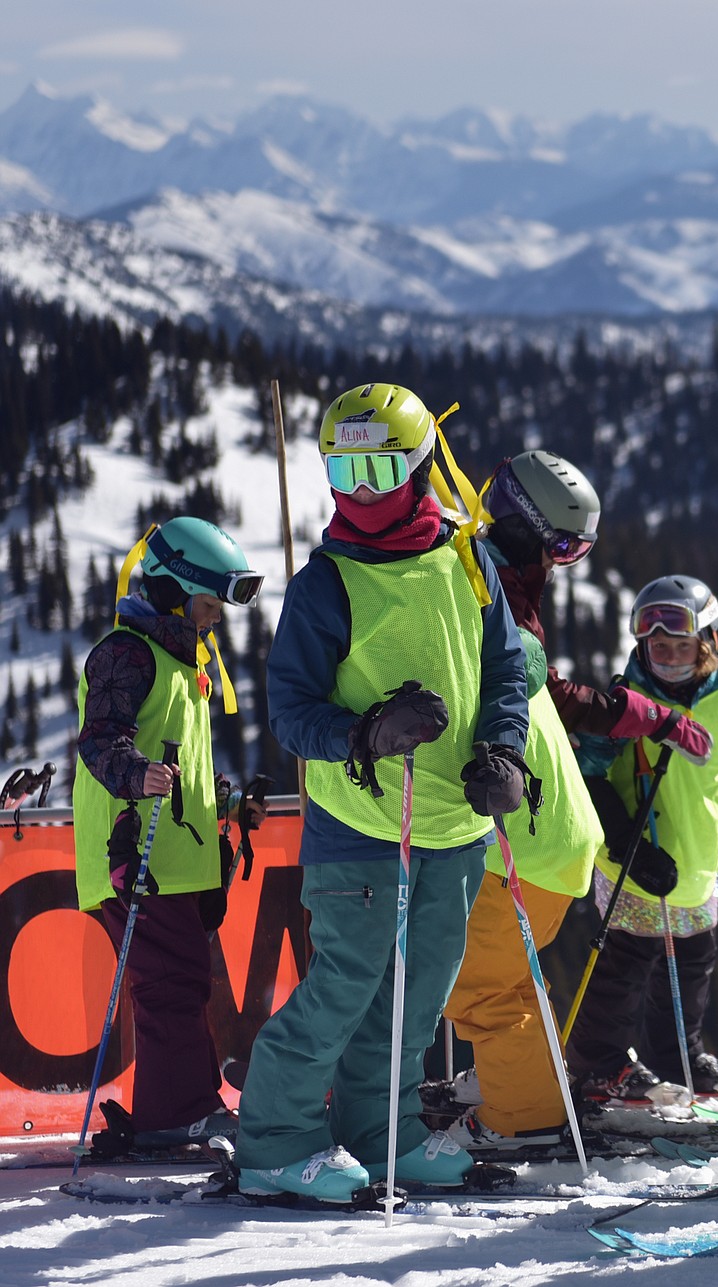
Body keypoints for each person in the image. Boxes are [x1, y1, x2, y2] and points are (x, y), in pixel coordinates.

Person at [234, 382, 530, 1202]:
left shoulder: (468, 560)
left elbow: (506, 667)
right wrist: (365, 733)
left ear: (423, 465)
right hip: (363, 820)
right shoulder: (326, 580)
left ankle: (383, 1132)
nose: (361, 489)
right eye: (346, 467)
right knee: (345, 983)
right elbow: (291, 714)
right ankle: (273, 1142)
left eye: (382, 466)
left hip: (451, 820)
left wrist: (504, 749)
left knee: (416, 993)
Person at [443, 450, 715, 1153]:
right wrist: (647, 715)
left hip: (530, 832)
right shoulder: (491, 589)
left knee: (483, 983)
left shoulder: (489, 589)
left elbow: (548, 697)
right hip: (548, 833)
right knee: (489, 975)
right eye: (563, 545)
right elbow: (557, 699)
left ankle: (526, 1110)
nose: (564, 562)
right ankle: (512, 1081)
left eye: (577, 549)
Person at [73, 515, 265, 1151]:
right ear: (173, 590)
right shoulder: (127, 654)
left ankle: (176, 1107)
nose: (214, 619)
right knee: (169, 982)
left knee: (180, 979)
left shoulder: (183, 664)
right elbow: (101, 740)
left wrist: (230, 810)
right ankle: (176, 1110)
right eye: (208, 604)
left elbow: (184, 772)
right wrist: (134, 775)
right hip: (134, 855)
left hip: (175, 858)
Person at [566, 574, 718, 1103]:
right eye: (657, 646)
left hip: (696, 860)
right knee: (627, 960)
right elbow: (590, 779)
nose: (668, 656)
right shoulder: (626, 704)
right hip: (635, 860)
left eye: (681, 645)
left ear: (708, 643)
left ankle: (677, 1057)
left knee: (692, 961)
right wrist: (626, 843)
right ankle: (598, 1064)